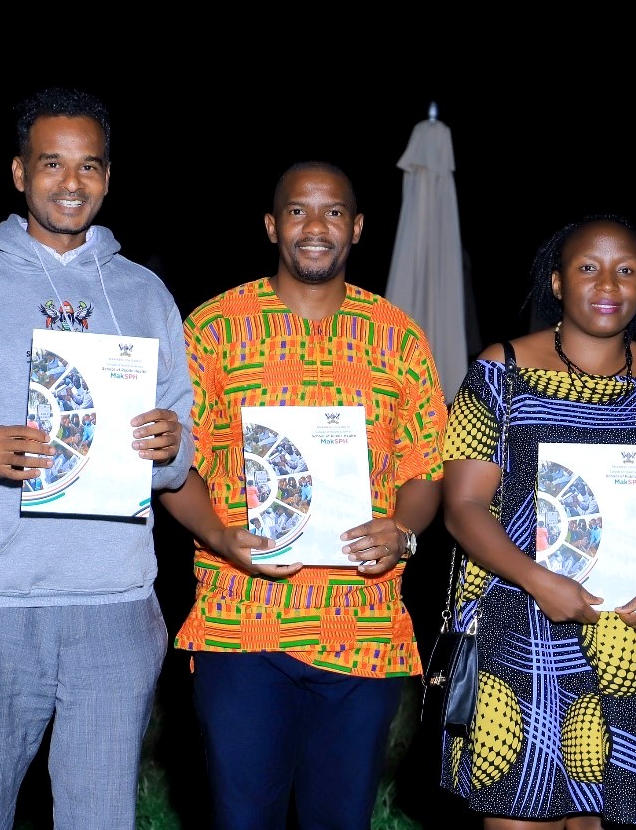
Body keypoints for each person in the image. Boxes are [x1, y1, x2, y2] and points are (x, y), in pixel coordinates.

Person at [0, 87, 194, 829]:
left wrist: (167, 447)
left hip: (116, 604)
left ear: (107, 176)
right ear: (19, 173)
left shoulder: (145, 293)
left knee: (100, 816)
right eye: (52, 164)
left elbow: (180, 452)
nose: (72, 182)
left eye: (89, 165)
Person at [159, 161, 448, 830]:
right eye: (298, 211)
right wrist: (220, 536)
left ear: (357, 227)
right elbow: (172, 465)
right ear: (272, 225)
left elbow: (426, 467)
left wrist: (403, 531)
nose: (315, 226)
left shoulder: (399, 338)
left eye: (332, 212)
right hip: (241, 625)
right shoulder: (212, 329)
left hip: (362, 628)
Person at [438, 214, 636, 827]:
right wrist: (538, 579)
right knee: (517, 810)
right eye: (588, 268)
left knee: (613, 813)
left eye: (625, 270)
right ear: (557, 282)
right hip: (521, 621)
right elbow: (463, 508)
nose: (608, 284)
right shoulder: (501, 369)